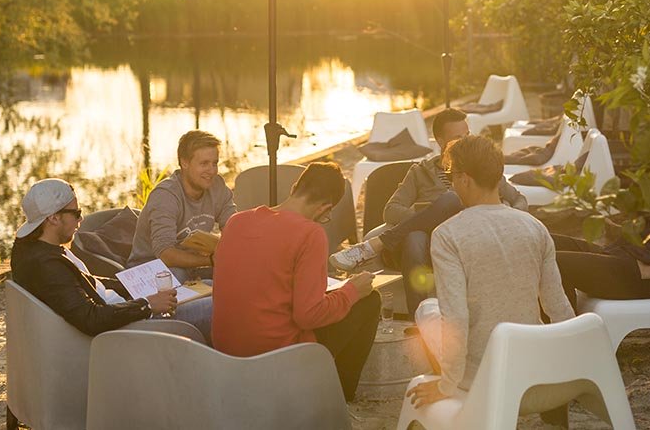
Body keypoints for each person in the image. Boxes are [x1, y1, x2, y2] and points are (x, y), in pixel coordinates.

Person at [405, 135, 575, 427]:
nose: (451, 184)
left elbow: (456, 318)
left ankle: (455, 397)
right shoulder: (535, 227)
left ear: (465, 179)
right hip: (534, 364)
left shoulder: (448, 235)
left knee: (426, 310)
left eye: (450, 176)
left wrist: (447, 383)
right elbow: (559, 308)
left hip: (483, 374)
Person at [211, 162, 380, 402]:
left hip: (226, 352)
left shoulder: (237, 222)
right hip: (279, 356)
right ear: (326, 208)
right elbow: (308, 315)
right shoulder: (310, 233)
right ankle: (338, 398)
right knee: (369, 300)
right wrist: (352, 290)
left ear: (294, 187)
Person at [330, 108, 527, 307]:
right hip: (428, 245)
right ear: (440, 141)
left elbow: (519, 200)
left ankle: (375, 245)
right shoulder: (419, 172)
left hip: (470, 238)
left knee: (451, 199)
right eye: (458, 138)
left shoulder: (482, 169)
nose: (466, 141)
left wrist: (508, 216)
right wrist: (429, 214)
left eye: (467, 135)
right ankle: (418, 318)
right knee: (416, 236)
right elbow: (391, 210)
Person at [10, 178, 212, 338]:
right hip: (129, 328)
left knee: (206, 285)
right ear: (53, 218)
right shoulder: (46, 266)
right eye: (76, 213)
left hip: (124, 310)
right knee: (218, 306)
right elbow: (91, 318)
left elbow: (87, 284)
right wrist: (147, 304)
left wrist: (139, 285)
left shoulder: (39, 248)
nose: (81, 219)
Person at [128, 130, 236, 283]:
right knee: (176, 275)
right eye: (204, 163)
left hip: (192, 267)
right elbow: (165, 254)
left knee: (242, 270)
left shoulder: (217, 186)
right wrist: (211, 261)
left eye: (215, 163)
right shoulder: (165, 196)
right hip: (150, 270)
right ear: (184, 162)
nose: (212, 171)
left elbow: (234, 227)